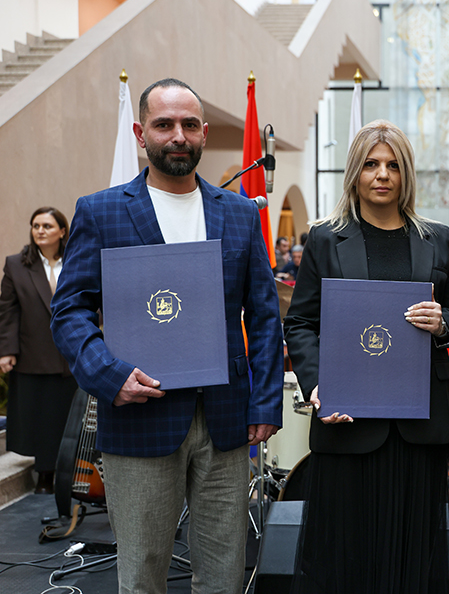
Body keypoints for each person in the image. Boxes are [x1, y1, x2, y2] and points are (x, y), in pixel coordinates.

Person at [50, 78, 283, 594]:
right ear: (141, 134)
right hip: (138, 416)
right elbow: (68, 311)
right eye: (164, 124)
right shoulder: (101, 212)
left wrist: (266, 402)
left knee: (224, 574)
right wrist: (110, 377)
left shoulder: (240, 214)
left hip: (226, 421)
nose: (178, 135)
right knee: (142, 576)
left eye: (189, 125)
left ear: (204, 133)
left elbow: (265, 316)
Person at [283, 119, 449, 594]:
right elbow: (300, 322)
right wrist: (319, 384)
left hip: (417, 426)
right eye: (370, 164)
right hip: (348, 420)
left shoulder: (437, 238)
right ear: (354, 173)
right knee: (346, 556)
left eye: (393, 165)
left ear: (406, 174)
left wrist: (443, 322)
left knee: (412, 555)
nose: (382, 174)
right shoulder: (325, 238)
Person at [0, 207, 77, 494]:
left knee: (67, 418)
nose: (40, 231)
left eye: (47, 226)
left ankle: (71, 476)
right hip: (34, 355)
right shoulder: (16, 264)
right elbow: (8, 310)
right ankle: (44, 476)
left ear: (62, 231)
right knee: (41, 418)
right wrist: (6, 350)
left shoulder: (76, 260)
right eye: (36, 226)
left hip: (72, 354)